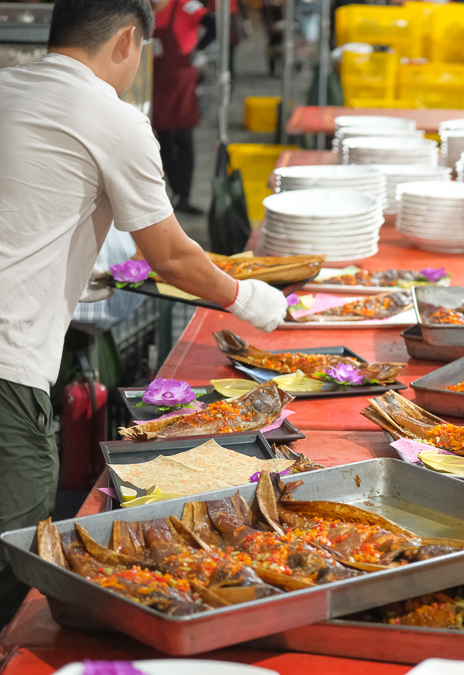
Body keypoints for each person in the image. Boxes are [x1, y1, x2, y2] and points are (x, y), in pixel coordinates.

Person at [0, 0, 287, 625]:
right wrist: (254, 301)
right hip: (7, 374)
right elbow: (173, 258)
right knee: (12, 567)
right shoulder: (113, 117)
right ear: (128, 41)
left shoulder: (7, 87)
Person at [152, 0, 215, 215]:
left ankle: (184, 194)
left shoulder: (185, 5)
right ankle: (176, 193)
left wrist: (197, 51)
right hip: (157, 83)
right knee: (164, 141)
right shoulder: (142, 10)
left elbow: (213, 24)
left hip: (182, 83)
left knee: (184, 139)